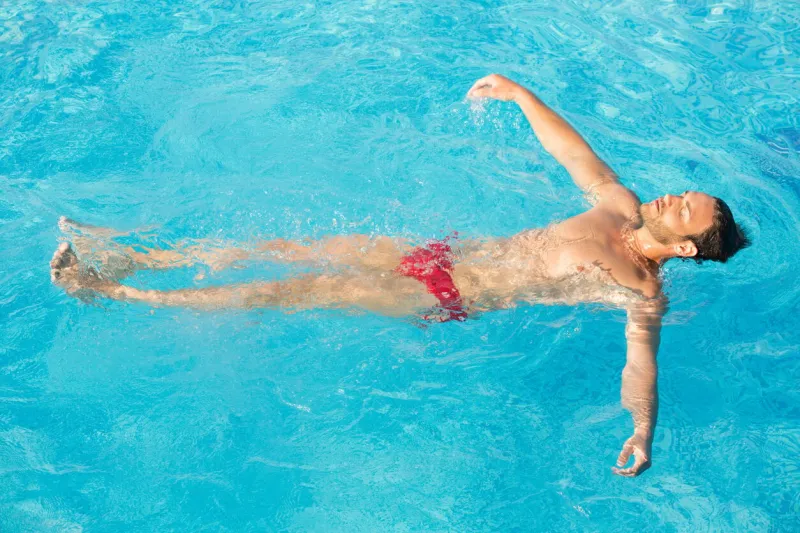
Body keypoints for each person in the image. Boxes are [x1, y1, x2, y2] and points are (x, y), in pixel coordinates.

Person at [50, 74, 749, 476]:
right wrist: (520, 95)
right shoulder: (619, 204)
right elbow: (575, 154)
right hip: (438, 251)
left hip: (441, 292)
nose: (672, 197)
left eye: (684, 209)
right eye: (683, 193)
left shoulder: (640, 289)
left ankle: (115, 290)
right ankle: (139, 257)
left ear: (686, 248)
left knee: (285, 291)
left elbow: (639, 365)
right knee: (284, 245)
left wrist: (642, 430)